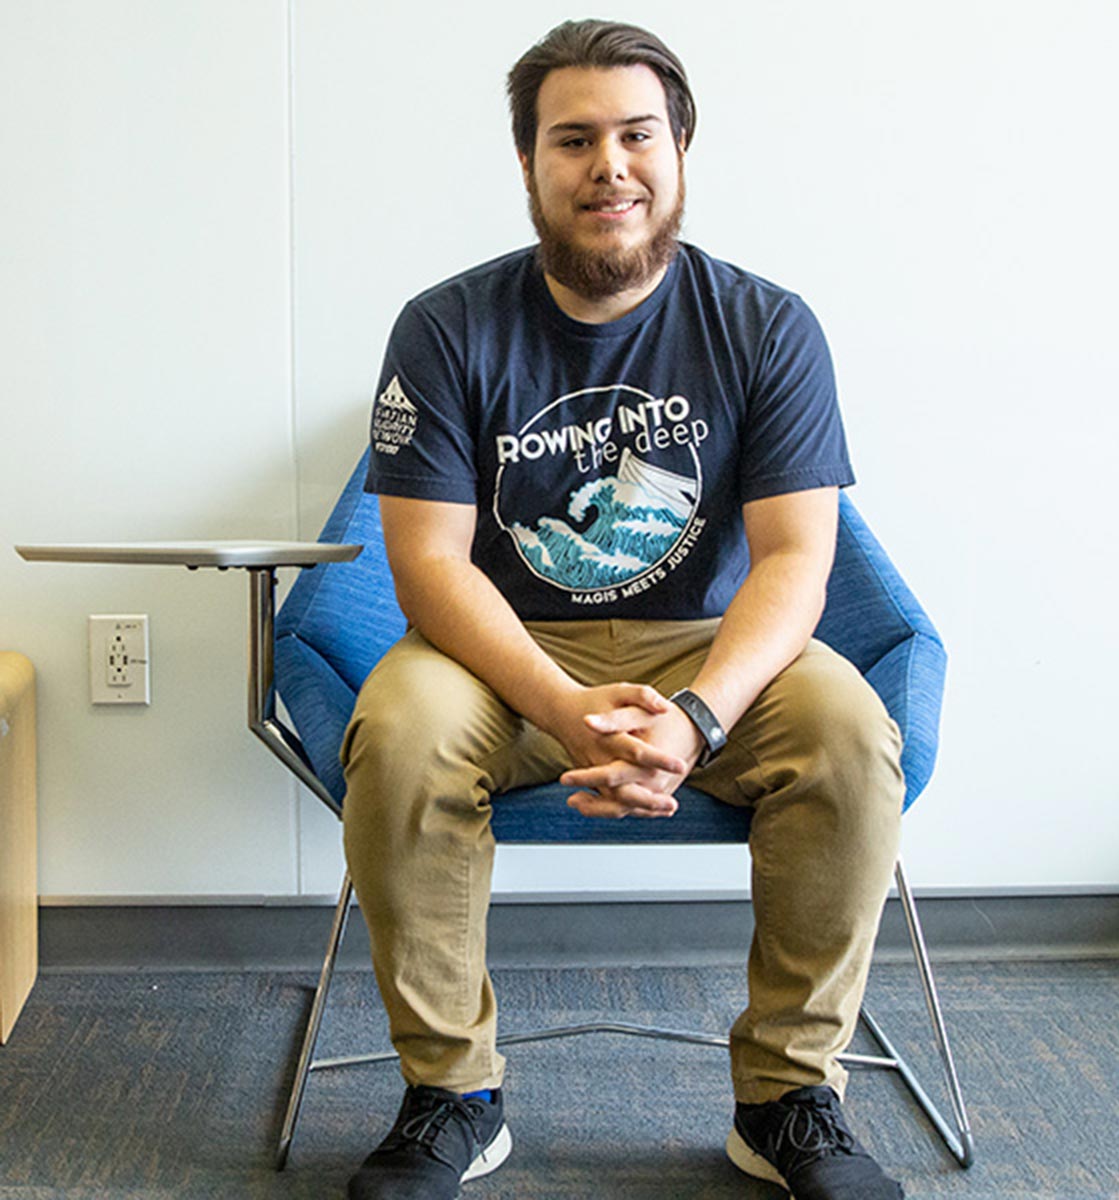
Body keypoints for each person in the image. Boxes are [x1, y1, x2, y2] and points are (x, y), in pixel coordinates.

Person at [340, 17, 906, 1200]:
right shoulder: (444, 327)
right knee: (398, 733)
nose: (610, 165)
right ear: (530, 166)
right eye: (574, 139)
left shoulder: (767, 326)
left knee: (849, 733)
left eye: (637, 133)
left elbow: (798, 559)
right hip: (505, 653)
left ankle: (789, 1098)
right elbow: (431, 568)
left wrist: (697, 716)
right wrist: (563, 704)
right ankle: (454, 1095)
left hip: (707, 651)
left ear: (682, 148)